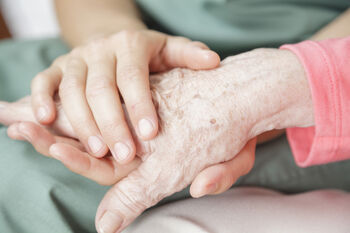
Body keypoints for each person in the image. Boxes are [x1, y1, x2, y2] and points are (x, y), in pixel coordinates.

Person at [0, 0, 350, 232]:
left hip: (305, 93)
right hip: (131, 44)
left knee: (23, 183)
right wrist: (112, 46)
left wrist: (245, 100)